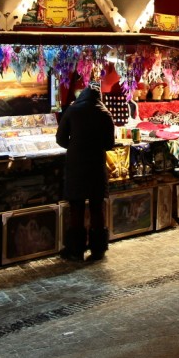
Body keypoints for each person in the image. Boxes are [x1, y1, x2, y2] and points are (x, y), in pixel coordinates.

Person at [56, 84, 116, 262]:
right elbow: (109, 144)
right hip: (96, 165)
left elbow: (60, 139)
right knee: (97, 207)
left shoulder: (73, 111)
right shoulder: (105, 113)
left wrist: (75, 146)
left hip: (76, 165)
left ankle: (75, 250)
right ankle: (98, 250)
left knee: (77, 207)